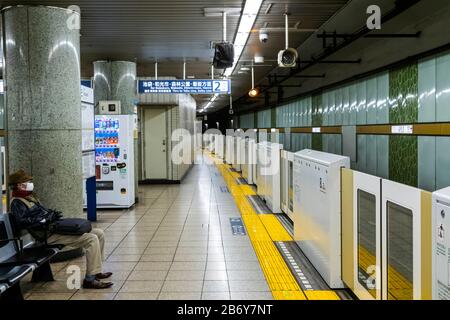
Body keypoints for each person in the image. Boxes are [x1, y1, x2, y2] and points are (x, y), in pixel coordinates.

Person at [8, 169, 113, 289]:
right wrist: (43, 219)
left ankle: (96, 270)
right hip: (44, 236)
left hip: (51, 230)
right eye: (27, 181)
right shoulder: (17, 202)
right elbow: (22, 222)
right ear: (19, 185)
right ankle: (90, 279)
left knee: (99, 233)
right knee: (91, 238)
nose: (30, 183)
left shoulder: (30, 197)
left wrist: (49, 215)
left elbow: (40, 213)